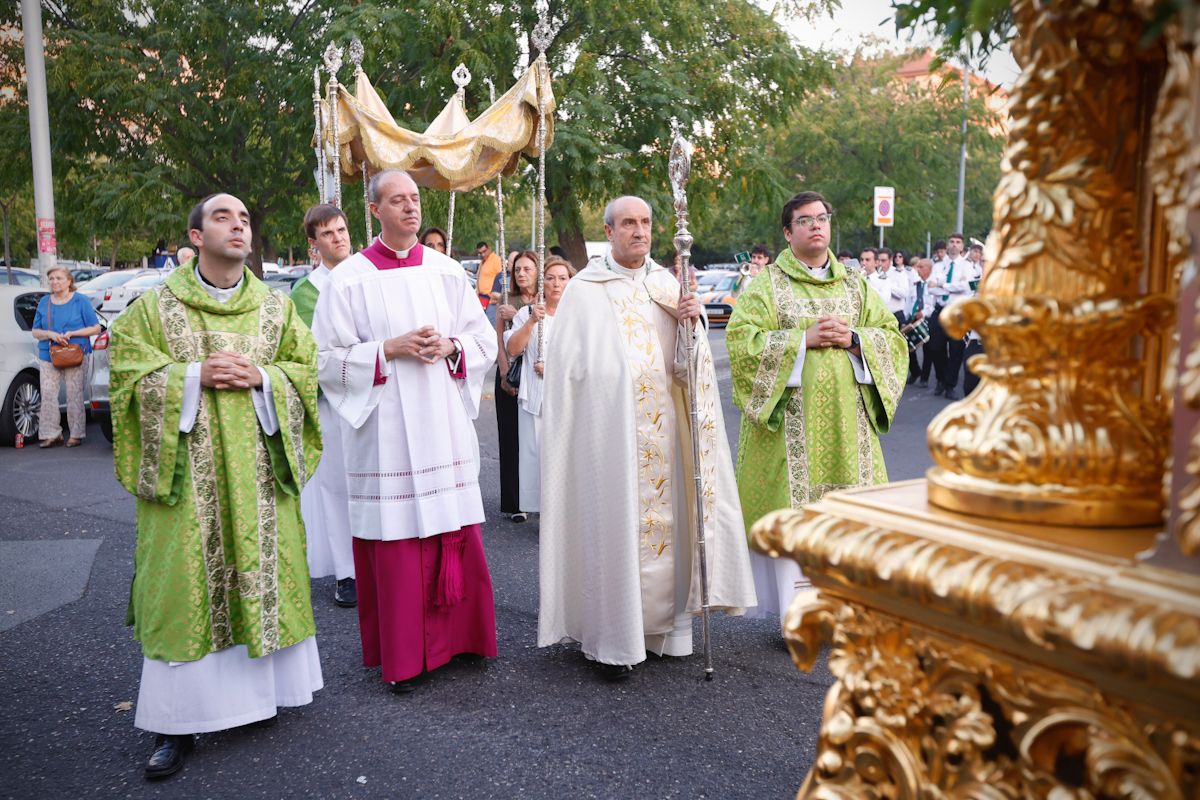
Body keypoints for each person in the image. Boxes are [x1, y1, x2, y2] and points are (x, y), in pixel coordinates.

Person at [109, 193, 323, 779]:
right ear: (196, 236)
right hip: (186, 483)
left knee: (260, 572)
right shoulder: (153, 311)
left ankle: (256, 700)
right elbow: (127, 377)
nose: (238, 225)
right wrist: (190, 376)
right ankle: (173, 723)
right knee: (182, 587)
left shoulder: (276, 311)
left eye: (246, 218)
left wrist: (265, 378)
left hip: (257, 475)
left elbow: (306, 373)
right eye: (223, 217)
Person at [538, 195, 755, 681]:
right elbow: (569, 376)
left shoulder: (666, 284)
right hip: (611, 439)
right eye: (629, 223)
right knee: (614, 526)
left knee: (669, 521)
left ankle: (668, 633)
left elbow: (686, 370)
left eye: (645, 223)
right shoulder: (584, 289)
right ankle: (612, 639)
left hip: (664, 437)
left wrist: (690, 326)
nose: (639, 231)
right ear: (609, 230)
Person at [312, 170, 498, 694]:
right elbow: (323, 360)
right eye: (397, 200)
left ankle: (462, 640)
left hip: (441, 424)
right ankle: (405, 656)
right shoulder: (347, 279)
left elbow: (481, 339)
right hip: (386, 431)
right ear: (374, 211)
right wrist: (386, 350)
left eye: (414, 199)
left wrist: (452, 348)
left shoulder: (445, 272)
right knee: (398, 541)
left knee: (452, 528)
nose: (410, 208)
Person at [726, 191, 908, 618]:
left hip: (849, 431)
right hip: (792, 433)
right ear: (788, 233)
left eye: (822, 218)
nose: (816, 226)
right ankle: (799, 612)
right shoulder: (767, 286)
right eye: (805, 220)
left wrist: (856, 340)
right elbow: (741, 342)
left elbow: (893, 338)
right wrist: (800, 341)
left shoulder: (855, 284)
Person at [291, 204, 357, 608]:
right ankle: (346, 572)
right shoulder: (306, 291)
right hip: (332, 401)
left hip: (373, 392)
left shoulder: (368, 275)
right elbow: (305, 353)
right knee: (336, 486)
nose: (339, 238)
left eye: (342, 229)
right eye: (328, 234)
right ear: (314, 245)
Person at [504, 256, 572, 515]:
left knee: (562, 458)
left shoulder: (575, 316)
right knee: (535, 455)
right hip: (534, 395)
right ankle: (542, 510)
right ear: (542, 283)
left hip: (565, 397)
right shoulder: (527, 313)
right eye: (551, 278)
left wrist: (553, 369)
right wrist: (532, 322)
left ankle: (562, 512)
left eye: (562, 278)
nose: (556, 284)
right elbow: (513, 349)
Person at [30, 266, 102, 447]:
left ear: (69, 281)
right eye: (52, 278)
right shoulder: (44, 302)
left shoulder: (81, 301)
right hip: (49, 354)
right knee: (47, 394)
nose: (54, 282)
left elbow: (96, 327)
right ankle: (51, 433)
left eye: (59, 278)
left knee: (74, 394)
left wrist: (72, 333)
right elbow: (35, 331)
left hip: (75, 353)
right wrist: (51, 334)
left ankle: (76, 434)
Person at [493, 251, 540, 522]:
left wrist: (523, 314)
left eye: (527, 269)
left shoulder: (545, 302)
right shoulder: (506, 299)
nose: (521, 273)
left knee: (535, 438)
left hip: (536, 374)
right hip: (512, 372)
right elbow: (499, 339)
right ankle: (514, 502)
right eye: (517, 269)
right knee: (511, 438)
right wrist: (503, 371)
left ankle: (538, 496)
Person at [926, 232, 972, 399]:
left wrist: (942, 284)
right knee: (935, 348)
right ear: (948, 245)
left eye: (957, 242)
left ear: (961, 246)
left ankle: (949, 385)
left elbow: (965, 288)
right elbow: (930, 288)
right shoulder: (938, 266)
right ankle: (940, 379)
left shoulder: (967, 266)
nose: (954, 244)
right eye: (951, 241)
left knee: (956, 351)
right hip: (940, 311)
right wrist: (951, 286)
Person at [475, 241, 503, 317]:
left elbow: (502, 278)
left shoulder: (496, 260)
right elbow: (478, 278)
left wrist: (498, 296)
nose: (483, 254)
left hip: (492, 300)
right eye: (480, 253)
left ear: (489, 249)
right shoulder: (482, 262)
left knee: (491, 323)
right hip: (482, 299)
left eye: (484, 251)